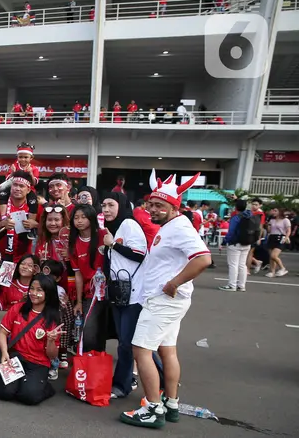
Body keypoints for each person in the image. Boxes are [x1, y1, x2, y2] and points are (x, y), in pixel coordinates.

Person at [120, 170, 210, 429]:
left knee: (141, 350)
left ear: (174, 207)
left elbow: (203, 259)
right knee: (167, 350)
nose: (153, 209)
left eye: (159, 205)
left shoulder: (180, 227)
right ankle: (170, 403)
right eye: (150, 204)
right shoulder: (170, 226)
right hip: (166, 300)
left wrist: (174, 282)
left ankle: (151, 407)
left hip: (164, 299)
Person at [102, 192, 147, 399]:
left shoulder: (129, 224)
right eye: (103, 206)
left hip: (133, 295)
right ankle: (163, 378)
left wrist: (113, 245)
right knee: (129, 342)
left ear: (121, 205)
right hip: (119, 294)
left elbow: (139, 255)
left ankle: (121, 385)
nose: (106, 209)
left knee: (126, 344)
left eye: (111, 205)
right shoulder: (113, 229)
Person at [0, 274, 61, 405]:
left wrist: (51, 341)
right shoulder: (18, 308)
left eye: (39, 290)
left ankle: (44, 386)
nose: (34, 293)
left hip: (38, 363)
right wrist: (4, 352)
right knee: (5, 393)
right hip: (15, 358)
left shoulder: (53, 318)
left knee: (29, 397)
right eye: (32, 288)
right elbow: (2, 333)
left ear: (48, 293)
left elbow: (52, 356)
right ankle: (24, 382)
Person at [69, 204, 109, 353]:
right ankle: (88, 364)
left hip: (109, 292)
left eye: (83, 217)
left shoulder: (103, 235)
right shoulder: (74, 243)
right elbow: (78, 275)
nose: (79, 221)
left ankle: (98, 363)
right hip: (90, 294)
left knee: (104, 331)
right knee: (89, 331)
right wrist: (78, 302)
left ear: (91, 218)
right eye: (76, 217)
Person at [0, 171, 37, 263]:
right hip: (0, 257)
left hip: (24, 259)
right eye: (15, 185)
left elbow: (49, 227)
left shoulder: (35, 205)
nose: (17, 189)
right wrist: (2, 223)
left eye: (21, 186)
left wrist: (35, 225)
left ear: (28, 190)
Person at [219, 199, 252, 292]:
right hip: (247, 242)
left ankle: (231, 285)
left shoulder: (236, 217)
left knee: (233, 264)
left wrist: (224, 242)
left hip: (235, 243)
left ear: (236, 207)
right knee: (242, 265)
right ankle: (242, 286)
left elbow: (231, 232)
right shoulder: (251, 215)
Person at [265, 208, 290, 278]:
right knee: (271, 257)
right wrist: (268, 225)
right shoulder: (272, 220)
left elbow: (288, 230)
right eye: (273, 210)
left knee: (274, 255)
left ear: (280, 212)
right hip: (272, 237)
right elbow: (269, 230)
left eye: (275, 211)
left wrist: (286, 237)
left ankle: (282, 268)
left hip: (281, 237)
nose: (273, 212)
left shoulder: (285, 220)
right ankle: (272, 271)